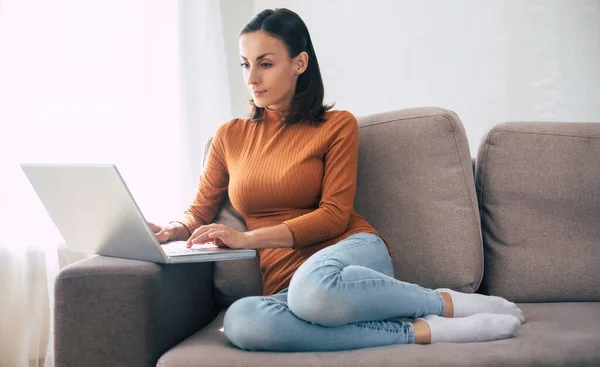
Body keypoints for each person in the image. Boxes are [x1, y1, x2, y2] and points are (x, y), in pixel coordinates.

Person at [148, 8, 524, 352]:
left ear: (299, 63)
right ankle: (422, 330)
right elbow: (199, 209)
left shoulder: (336, 125)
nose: (251, 78)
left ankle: (441, 302)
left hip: (350, 255)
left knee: (312, 291)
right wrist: (171, 230)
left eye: (265, 63)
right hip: (289, 287)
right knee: (243, 322)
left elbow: (334, 216)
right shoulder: (229, 136)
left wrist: (247, 239)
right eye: (245, 64)